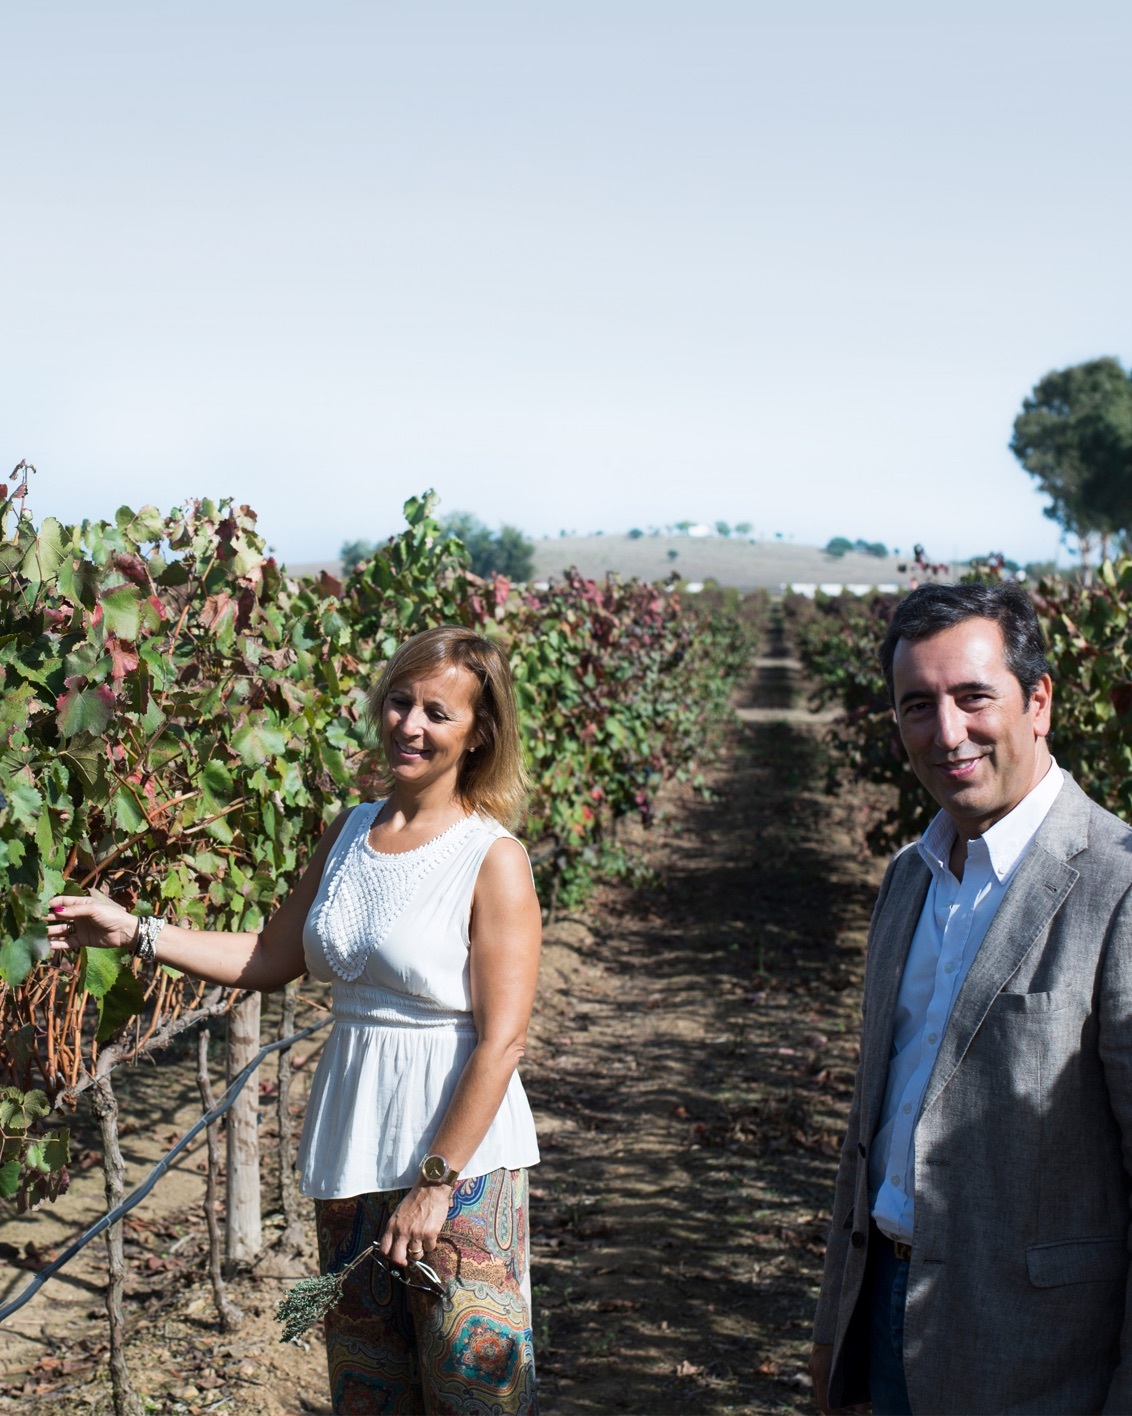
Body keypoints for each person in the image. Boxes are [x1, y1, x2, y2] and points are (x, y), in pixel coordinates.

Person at [48, 625, 543, 1415]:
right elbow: (271, 954)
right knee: (368, 1389)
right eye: (399, 702)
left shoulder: (493, 858)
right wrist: (135, 930)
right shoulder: (350, 832)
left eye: (437, 713)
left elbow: (503, 1037)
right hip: (351, 1139)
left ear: (479, 733)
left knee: (472, 1392)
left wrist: (436, 1184)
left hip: (459, 1162)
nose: (410, 725)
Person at [809, 581, 1132, 1415]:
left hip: (1043, 1352)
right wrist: (835, 1324)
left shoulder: (1116, 888)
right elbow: (874, 1121)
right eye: (919, 705)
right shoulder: (908, 879)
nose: (947, 733)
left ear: (1039, 703)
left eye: (973, 698)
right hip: (885, 1306)